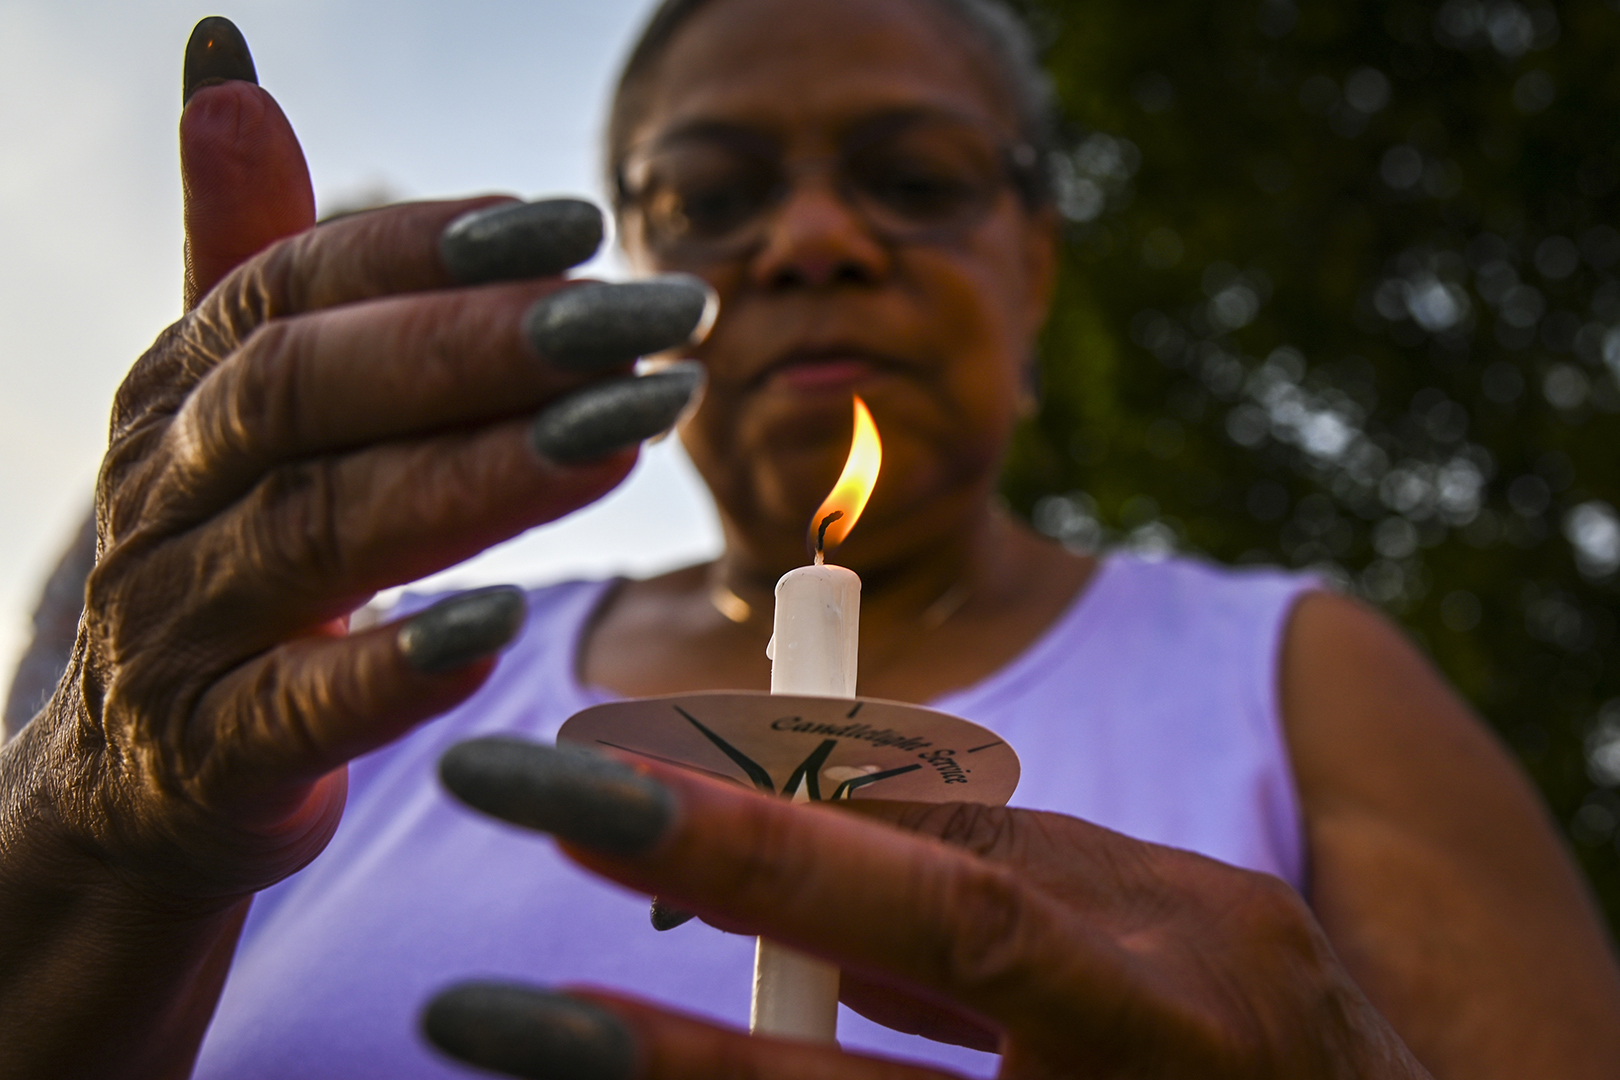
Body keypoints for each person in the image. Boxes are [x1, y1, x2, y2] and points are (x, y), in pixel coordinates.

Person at [1, 1, 1618, 1078]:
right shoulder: (341, 688)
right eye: (713, 195)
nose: (820, 240)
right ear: (632, 257)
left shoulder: (1295, 665)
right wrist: (109, 828)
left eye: (911, 179)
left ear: (1035, 263)